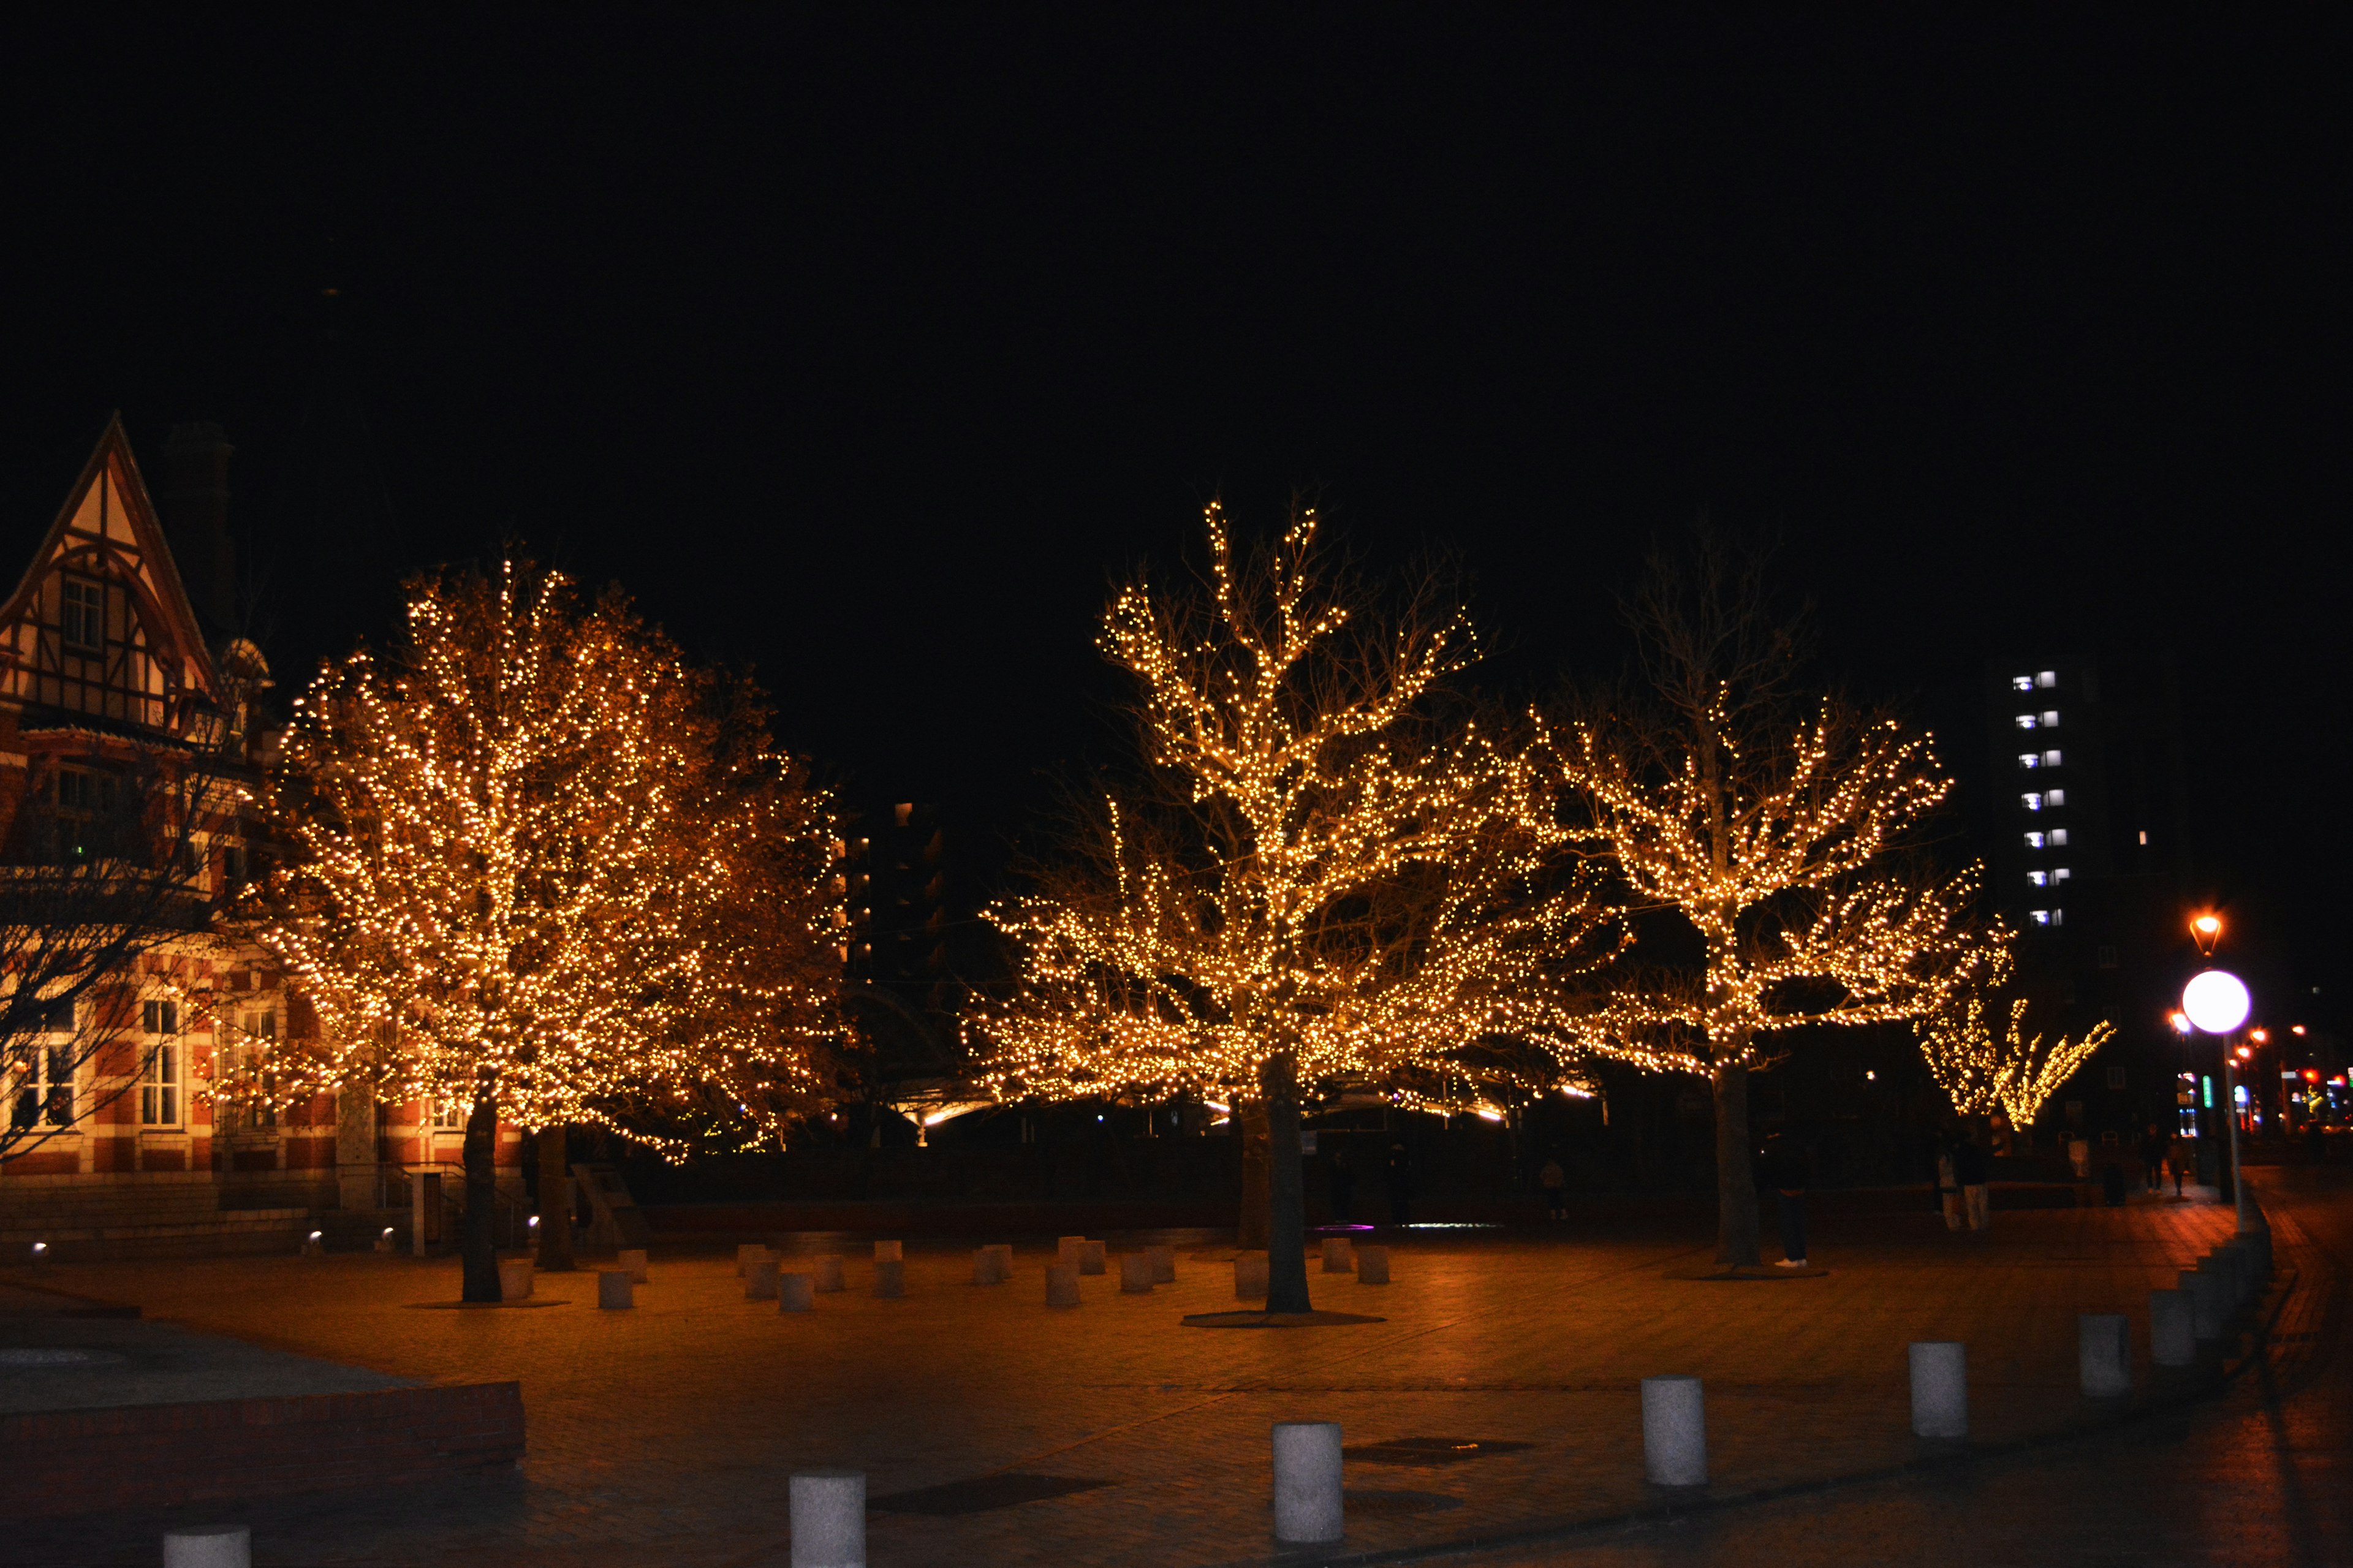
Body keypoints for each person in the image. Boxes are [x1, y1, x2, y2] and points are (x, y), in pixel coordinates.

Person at [1762, 1132, 1811, 1268]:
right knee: (1798, 1223)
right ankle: (1801, 1257)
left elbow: (1770, 1169)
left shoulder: (1773, 1148)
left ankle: (1792, 1256)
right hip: (1799, 1188)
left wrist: (1774, 1185)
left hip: (1784, 1189)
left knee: (1788, 1224)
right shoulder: (1797, 1147)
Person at [1955, 1127, 1992, 1232]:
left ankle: (1975, 1226)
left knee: (1971, 1207)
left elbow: (1958, 1168)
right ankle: (1984, 1225)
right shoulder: (1975, 1149)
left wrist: (1960, 1181)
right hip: (1979, 1180)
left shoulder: (1959, 1152)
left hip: (1968, 1182)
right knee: (1982, 1205)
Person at [1936, 1132, 1963, 1232]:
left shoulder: (1945, 1157)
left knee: (1949, 1204)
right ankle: (1955, 1224)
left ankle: (1953, 1224)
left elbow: (1941, 1171)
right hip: (1952, 1182)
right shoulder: (1950, 1157)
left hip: (1946, 1183)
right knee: (1952, 1204)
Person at [1327, 1147, 1355, 1224]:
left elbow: (1350, 1174)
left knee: (1345, 1202)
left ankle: (1345, 1217)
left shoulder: (1346, 1164)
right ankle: (1338, 1217)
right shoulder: (1332, 1164)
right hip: (1336, 1187)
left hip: (1345, 1186)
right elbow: (1331, 1175)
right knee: (1337, 1202)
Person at [2139, 1123, 2169, 1194]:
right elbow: (2142, 1147)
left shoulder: (2158, 1137)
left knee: (2157, 1173)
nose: (2152, 1131)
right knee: (2149, 1173)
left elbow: (2163, 1146)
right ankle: (2150, 1187)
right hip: (2149, 1157)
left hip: (2156, 1157)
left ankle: (2157, 1187)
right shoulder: (2146, 1137)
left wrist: (2162, 1154)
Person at [1538, 1156, 1566, 1221]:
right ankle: (1558, 1214)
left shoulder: (1548, 1168)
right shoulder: (1556, 1168)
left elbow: (1542, 1176)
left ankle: (1556, 1214)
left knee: (1553, 1200)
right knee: (1556, 1200)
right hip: (1554, 1186)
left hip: (1552, 1186)